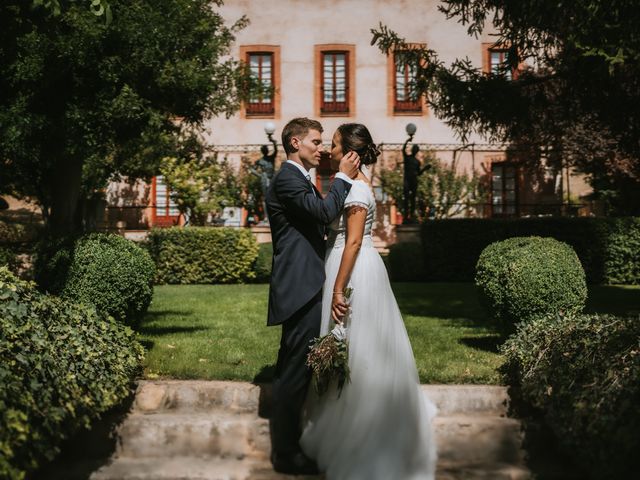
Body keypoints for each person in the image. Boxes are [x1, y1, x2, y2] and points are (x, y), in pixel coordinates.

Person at [300, 123, 438, 480]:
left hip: (354, 270)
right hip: (346, 265)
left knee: (353, 345)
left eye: (333, 144)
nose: (328, 150)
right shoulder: (349, 183)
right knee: (346, 343)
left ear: (350, 153)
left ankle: (360, 432)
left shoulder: (357, 189)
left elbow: (355, 242)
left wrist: (338, 289)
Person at [265, 117, 360, 475]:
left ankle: (287, 445)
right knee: (294, 371)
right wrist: (344, 179)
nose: (321, 149)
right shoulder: (288, 178)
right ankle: (286, 454)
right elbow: (322, 212)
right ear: (294, 143)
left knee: (292, 368)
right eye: (315, 142)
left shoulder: (301, 177)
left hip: (306, 281)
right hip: (299, 285)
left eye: (322, 143)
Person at [402, 136, 431, 223]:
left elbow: (418, 173)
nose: (415, 150)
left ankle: (412, 216)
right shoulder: (407, 158)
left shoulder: (417, 162)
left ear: (417, 151)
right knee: (406, 198)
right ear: (412, 150)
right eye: (414, 148)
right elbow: (403, 150)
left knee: (413, 199)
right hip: (407, 180)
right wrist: (407, 140)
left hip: (414, 181)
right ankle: (406, 216)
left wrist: (425, 168)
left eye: (416, 149)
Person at [250, 135, 277, 222]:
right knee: (266, 199)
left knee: (275, 198)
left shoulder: (271, 158)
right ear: (262, 151)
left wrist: (273, 141)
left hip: (273, 178)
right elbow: (252, 169)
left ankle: (274, 216)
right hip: (265, 180)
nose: (266, 151)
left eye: (266, 149)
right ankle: (266, 217)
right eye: (264, 150)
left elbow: (276, 150)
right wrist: (260, 175)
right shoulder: (260, 161)